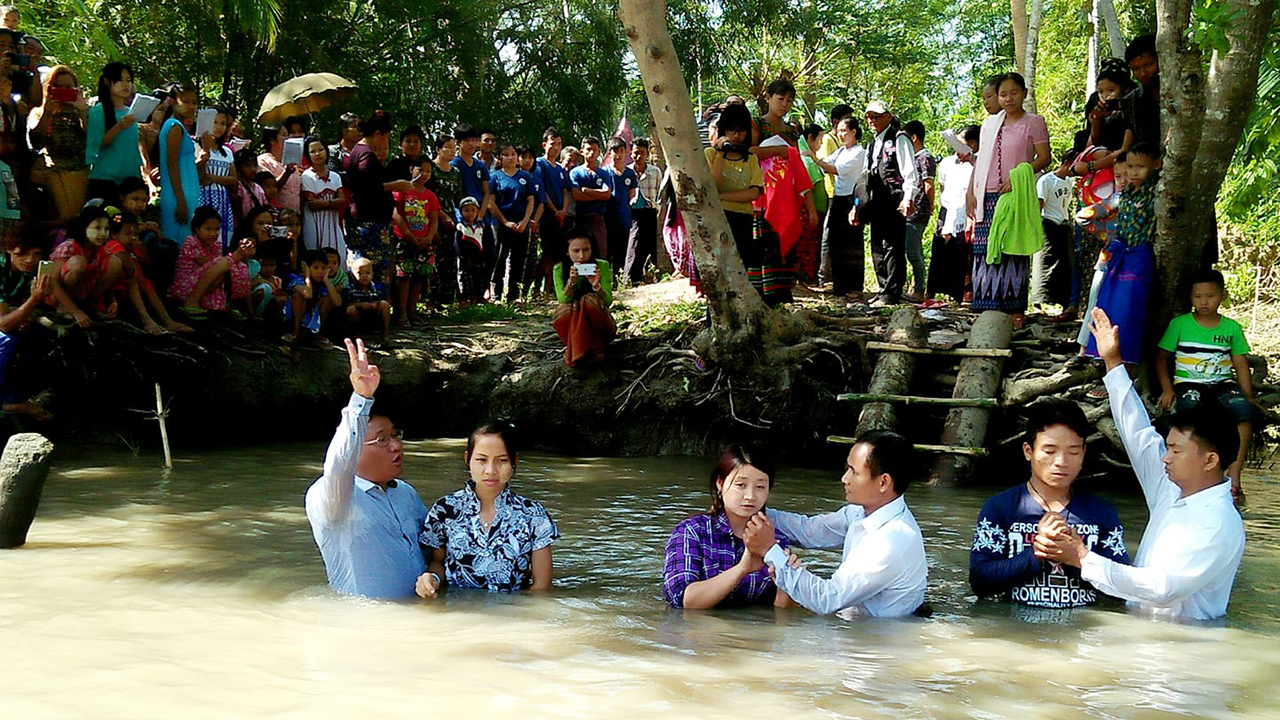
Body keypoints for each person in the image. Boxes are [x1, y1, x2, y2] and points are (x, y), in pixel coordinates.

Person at [1033, 308, 1246, 621]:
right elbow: (1139, 436)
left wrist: (1083, 557)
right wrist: (1113, 363)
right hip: (1141, 634)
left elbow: (1163, 588)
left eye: (1175, 450)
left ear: (1210, 460)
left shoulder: (1219, 522)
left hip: (1185, 651)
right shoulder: (1172, 490)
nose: (1164, 457)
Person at [743, 430, 928, 617]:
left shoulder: (889, 542)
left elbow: (827, 598)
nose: (844, 479)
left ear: (883, 483)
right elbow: (811, 531)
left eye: (854, 472)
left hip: (876, 639)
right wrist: (754, 511)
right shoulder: (863, 511)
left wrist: (768, 549)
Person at [969, 399, 1128, 608]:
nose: (1061, 462)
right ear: (1028, 451)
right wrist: (1036, 553)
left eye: (1072, 452)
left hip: (1080, 635)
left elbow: (1124, 589)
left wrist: (1078, 559)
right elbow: (980, 582)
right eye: (1049, 451)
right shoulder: (1000, 508)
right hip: (1019, 632)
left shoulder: (1102, 511)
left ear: (1083, 453)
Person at [306, 338, 427, 599]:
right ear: (356, 445)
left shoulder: (406, 493)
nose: (396, 446)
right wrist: (361, 399)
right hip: (365, 626)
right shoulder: (335, 499)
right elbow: (338, 465)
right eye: (382, 439)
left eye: (396, 436)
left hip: (418, 621)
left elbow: (433, 547)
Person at [415, 419, 558, 597]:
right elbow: (438, 563)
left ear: (515, 461)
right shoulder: (445, 510)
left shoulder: (534, 515)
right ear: (468, 459)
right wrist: (431, 579)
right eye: (482, 460)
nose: (491, 470)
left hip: (510, 615)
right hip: (457, 612)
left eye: (502, 460)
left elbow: (541, 588)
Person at [1155, 268, 1262, 502]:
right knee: (1189, 416)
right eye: (1198, 296)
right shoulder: (1180, 324)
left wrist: (1248, 396)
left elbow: (1241, 363)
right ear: (1190, 297)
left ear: (1222, 295)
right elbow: (1162, 357)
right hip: (1189, 383)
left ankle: (1234, 477)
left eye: (1210, 296)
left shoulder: (1231, 328)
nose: (1204, 302)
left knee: (1244, 414)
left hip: (1222, 383)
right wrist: (1167, 389)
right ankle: (1189, 478)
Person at [967, 73, 1051, 327]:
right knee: (985, 250)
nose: (1008, 98)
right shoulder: (990, 125)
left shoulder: (1033, 122)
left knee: (1012, 248)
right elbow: (981, 161)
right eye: (1003, 94)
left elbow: (1044, 157)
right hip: (987, 193)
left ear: (1024, 93)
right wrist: (971, 192)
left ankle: (1014, 309)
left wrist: (1019, 176)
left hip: (1015, 194)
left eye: (1014, 92)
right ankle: (987, 308)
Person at [663, 445, 794, 609]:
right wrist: (742, 569)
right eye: (741, 485)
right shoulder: (691, 531)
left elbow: (784, 616)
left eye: (760, 487)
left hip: (750, 632)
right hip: (693, 632)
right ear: (720, 483)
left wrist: (787, 583)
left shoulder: (776, 540)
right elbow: (682, 600)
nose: (750, 496)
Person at [1084, 142, 1160, 366]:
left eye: (1140, 167)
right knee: (1108, 304)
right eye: (1130, 167)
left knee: (1131, 308)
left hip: (1139, 257)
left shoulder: (1156, 194)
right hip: (1118, 256)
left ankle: (1127, 361)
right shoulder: (1124, 195)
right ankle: (1103, 355)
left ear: (1156, 165)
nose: (1133, 173)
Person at [749, 78, 818, 305]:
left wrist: (809, 206)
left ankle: (782, 294)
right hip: (762, 196)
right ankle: (762, 296)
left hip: (788, 196)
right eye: (781, 99)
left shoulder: (792, 132)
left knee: (785, 246)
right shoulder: (757, 124)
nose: (785, 104)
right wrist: (779, 150)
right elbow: (749, 152)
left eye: (789, 100)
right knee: (763, 246)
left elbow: (800, 167)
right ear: (767, 97)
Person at [861, 100, 919, 307]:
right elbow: (865, 175)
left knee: (893, 246)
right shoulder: (872, 143)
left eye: (877, 116)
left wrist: (908, 196)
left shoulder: (899, 138)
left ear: (888, 116)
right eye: (869, 117)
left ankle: (891, 293)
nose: (872, 120)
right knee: (876, 245)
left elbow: (909, 170)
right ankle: (882, 288)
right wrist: (857, 204)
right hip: (876, 199)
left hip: (894, 198)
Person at [346, 110, 414, 286]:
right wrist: (395, 185)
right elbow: (367, 187)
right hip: (369, 221)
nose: (386, 142)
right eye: (387, 137)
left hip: (367, 217)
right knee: (372, 268)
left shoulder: (358, 150)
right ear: (378, 134)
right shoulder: (366, 155)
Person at [0, 224, 53, 420]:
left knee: (41, 336)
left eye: (36, 254)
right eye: (22, 254)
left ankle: (13, 399)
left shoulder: (27, 271)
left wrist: (26, 316)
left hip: (7, 316)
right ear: (9, 250)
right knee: (8, 340)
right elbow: (3, 324)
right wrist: (33, 300)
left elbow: (16, 307)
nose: (30, 260)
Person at [706, 103, 764, 279]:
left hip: (743, 220)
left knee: (741, 266)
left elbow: (753, 194)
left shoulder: (751, 159)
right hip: (719, 218)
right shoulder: (710, 154)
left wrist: (721, 197)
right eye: (732, 130)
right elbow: (713, 186)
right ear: (724, 130)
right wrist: (720, 153)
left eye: (741, 130)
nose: (737, 135)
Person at [812, 116, 866, 302]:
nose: (841, 134)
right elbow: (825, 162)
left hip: (852, 199)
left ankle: (855, 286)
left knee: (852, 243)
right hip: (837, 197)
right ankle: (839, 284)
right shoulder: (842, 150)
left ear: (854, 132)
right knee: (836, 241)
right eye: (839, 130)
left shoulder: (859, 152)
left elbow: (834, 169)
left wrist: (814, 160)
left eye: (845, 130)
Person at [27, 65, 88, 222]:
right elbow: (35, 140)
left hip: (80, 173)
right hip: (54, 175)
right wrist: (47, 112)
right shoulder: (39, 111)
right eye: (58, 86)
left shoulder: (84, 111)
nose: (63, 90)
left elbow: (93, 140)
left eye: (68, 87)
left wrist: (82, 111)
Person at [170, 205, 254, 316]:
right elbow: (211, 265)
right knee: (225, 263)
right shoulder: (191, 242)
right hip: (186, 287)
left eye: (216, 229)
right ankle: (191, 301)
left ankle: (222, 304)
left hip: (205, 285)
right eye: (208, 229)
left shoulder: (216, 245)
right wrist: (235, 256)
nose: (213, 233)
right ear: (197, 228)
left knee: (237, 266)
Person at [928, 124, 978, 303]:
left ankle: (963, 294)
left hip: (969, 213)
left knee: (964, 253)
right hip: (948, 211)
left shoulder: (979, 164)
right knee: (941, 252)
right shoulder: (948, 163)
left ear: (972, 144)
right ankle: (935, 292)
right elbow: (943, 187)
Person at [552, 231, 614, 367]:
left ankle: (595, 346)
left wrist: (596, 286)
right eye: (576, 251)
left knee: (588, 301)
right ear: (567, 252)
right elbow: (563, 300)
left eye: (586, 250)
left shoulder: (601, 266)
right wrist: (571, 283)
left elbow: (608, 301)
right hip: (573, 317)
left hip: (600, 323)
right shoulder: (559, 268)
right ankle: (578, 349)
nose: (581, 255)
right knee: (564, 311)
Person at [1029, 149, 1078, 318]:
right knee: (1044, 261)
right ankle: (1037, 301)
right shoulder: (1047, 180)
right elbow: (1039, 203)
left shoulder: (1069, 182)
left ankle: (1061, 301)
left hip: (1062, 223)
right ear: (1066, 163)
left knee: (1063, 263)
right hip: (1047, 222)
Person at [391, 154, 440, 322]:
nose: (424, 174)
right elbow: (396, 214)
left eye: (428, 171)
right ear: (411, 169)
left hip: (424, 242)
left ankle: (412, 312)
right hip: (404, 239)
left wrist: (429, 237)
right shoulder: (402, 190)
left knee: (420, 277)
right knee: (403, 276)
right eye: (421, 170)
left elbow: (434, 219)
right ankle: (401, 313)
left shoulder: (431, 195)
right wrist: (408, 234)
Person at [84, 62, 142, 202]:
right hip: (105, 179)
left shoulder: (130, 113)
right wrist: (118, 127)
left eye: (128, 80)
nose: (125, 85)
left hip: (129, 179)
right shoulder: (99, 111)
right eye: (120, 80)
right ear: (107, 82)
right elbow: (96, 145)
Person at [488, 143, 536, 303]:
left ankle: (514, 295)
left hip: (521, 224)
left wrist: (525, 221)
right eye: (506, 154)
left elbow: (531, 200)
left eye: (513, 154)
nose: (510, 157)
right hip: (500, 224)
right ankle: (496, 294)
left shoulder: (525, 177)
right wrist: (505, 222)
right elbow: (490, 202)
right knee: (499, 258)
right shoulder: (495, 177)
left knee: (519, 259)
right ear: (500, 158)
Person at [816, 103, 855, 287]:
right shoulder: (828, 141)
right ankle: (825, 275)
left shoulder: (845, 144)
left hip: (845, 193)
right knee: (828, 233)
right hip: (832, 191)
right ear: (835, 122)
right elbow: (825, 165)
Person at [158, 84, 200, 245]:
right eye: (186, 101)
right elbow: (171, 164)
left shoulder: (179, 127)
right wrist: (180, 200)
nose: (191, 106)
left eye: (194, 102)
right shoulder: (174, 126)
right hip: (178, 197)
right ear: (173, 102)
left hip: (186, 195)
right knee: (178, 244)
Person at [532, 128, 570, 297]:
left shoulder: (561, 169)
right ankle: (537, 289)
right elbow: (542, 191)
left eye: (559, 144)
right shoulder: (539, 164)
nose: (556, 147)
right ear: (544, 144)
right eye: (552, 144)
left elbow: (565, 191)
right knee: (546, 253)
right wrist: (555, 211)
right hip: (546, 216)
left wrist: (564, 211)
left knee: (558, 254)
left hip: (561, 218)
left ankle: (551, 289)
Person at [196, 104, 238, 251]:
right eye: (214, 122)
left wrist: (212, 178)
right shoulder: (195, 146)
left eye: (223, 123)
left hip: (222, 202)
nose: (219, 127)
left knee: (222, 241)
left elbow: (234, 180)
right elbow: (199, 177)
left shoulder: (227, 151)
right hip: (202, 200)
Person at [902, 120, 935, 303]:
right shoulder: (914, 158)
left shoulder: (924, 158)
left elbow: (928, 185)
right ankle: (913, 287)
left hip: (917, 210)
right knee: (908, 250)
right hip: (910, 210)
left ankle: (919, 289)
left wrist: (929, 205)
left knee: (913, 251)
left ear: (913, 138)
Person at [299, 136, 346, 262]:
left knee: (339, 253)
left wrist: (324, 202)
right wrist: (333, 202)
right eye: (312, 151)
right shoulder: (307, 176)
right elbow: (313, 204)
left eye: (321, 149)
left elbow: (342, 200)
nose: (317, 154)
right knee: (316, 255)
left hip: (333, 224)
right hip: (314, 224)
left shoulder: (335, 176)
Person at [599, 136, 638, 272]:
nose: (618, 155)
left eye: (621, 151)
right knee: (607, 252)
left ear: (626, 152)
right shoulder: (604, 172)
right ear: (610, 153)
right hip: (607, 219)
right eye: (615, 151)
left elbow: (632, 194)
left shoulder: (630, 174)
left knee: (622, 253)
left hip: (624, 219)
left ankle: (619, 281)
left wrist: (633, 200)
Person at [286, 249, 340, 345]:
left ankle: (318, 334)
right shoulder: (298, 281)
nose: (320, 272)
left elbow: (337, 302)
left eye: (323, 268)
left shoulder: (322, 285)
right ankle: (295, 333)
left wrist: (326, 280)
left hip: (311, 321)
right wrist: (307, 277)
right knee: (299, 296)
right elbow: (308, 294)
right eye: (316, 268)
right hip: (291, 320)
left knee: (328, 299)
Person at [569, 136, 612, 255]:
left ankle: (600, 274)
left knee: (601, 251)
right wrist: (598, 195)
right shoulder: (575, 172)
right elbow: (577, 195)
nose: (591, 152)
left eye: (595, 149)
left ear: (599, 151)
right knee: (582, 253)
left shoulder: (603, 173)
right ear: (582, 151)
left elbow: (606, 194)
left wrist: (586, 190)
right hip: (582, 218)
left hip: (599, 218)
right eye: (588, 149)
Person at [627, 137, 660, 285]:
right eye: (635, 153)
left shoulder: (655, 172)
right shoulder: (627, 172)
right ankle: (631, 278)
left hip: (650, 213)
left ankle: (650, 277)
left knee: (650, 244)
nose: (638, 156)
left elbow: (660, 194)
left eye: (641, 152)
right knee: (633, 244)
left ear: (647, 153)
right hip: (632, 214)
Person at [1122, 34, 1160, 146]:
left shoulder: (1186, 93)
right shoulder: (1132, 101)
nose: (1143, 73)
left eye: (1148, 65)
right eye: (1137, 69)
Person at [343, 256, 390, 345]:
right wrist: (360, 305)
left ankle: (385, 335)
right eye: (360, 273)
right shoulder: (350, 289)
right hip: (359, 318)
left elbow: (384, 300)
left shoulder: (377, 287)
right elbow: (344, 305)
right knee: (351, 309)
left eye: (368, 273)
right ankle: (356, 335)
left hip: (374, 316)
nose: (364, 276)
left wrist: (375, 304)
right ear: (352, 275)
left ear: (372, 274)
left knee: (384, 304)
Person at [257, 125, 302, 213]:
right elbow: (269, 188)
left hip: (295, 215)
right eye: (284, 135)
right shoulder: (263, 161)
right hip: (276, 214)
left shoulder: (293, 163)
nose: (288, 138)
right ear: (272, 140)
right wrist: (286, 173)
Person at [454, 196, 486, 304]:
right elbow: (457, 243)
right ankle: (465, 299)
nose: (470, 213)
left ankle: (477, 298)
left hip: (478, 258)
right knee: (465, 279)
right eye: (466, 210)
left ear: (477, 212)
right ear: (461, 212)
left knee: (478, 278)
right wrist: (462, 256)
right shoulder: (460, 227)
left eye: (473, 210)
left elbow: (483, 242)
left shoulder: (481, 226)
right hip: (465, 259)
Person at [327, 111, 361, 180]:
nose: (359, 130)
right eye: (355, 127)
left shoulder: (364, 150)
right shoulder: (332, 151)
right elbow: (334, 175)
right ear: (344, 130)